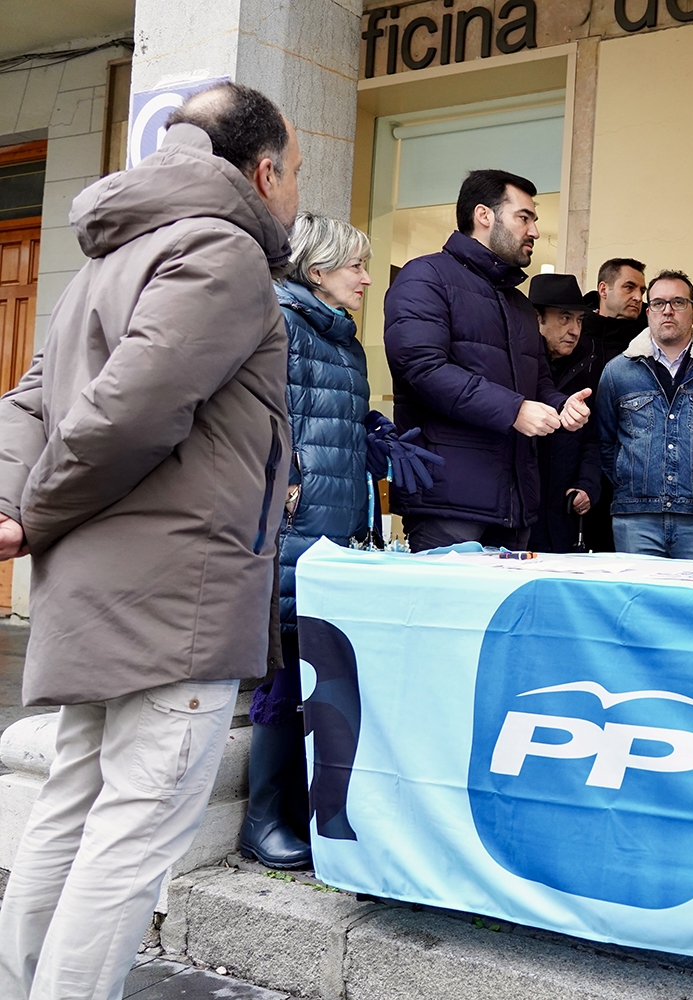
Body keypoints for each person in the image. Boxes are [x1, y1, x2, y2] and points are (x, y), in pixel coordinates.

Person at [0, 82, 300, 999]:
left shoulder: (104, 259)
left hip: (102, 587)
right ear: (261, 169)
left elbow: (32, 399)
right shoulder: (224, 250)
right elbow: (133, 410)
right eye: (293, 174)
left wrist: (15, 505)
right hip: (178, 596)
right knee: (131, 838)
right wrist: (32, 512)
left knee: (71, 811)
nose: (293, 196)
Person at [237, 214, 440, 869]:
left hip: (336, 526)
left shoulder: (344, 340)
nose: (365, 276)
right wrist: (285, 477)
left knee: (315, 669)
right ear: (317, 271)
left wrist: (369, 434)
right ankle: (262, 820)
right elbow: (259, 415)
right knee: (285, 670)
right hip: (290, 528)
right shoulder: (284, 324)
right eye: (354, 265)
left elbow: (325, 416)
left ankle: (299, 812)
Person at [384, 169, 591, 552]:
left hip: (515, 505)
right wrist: (514, 410)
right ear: (484, 216)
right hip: (448, 501)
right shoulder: (424, 277)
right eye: (523, 217)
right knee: (445, 612)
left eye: (534, 220)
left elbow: (539, 384)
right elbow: (421, 369)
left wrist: (562, 407)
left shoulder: (518, 303)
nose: (533, 231)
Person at [596, 270, 693, 560]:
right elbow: (604, 440)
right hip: (635, 517)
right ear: (647, 311)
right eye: (657, 303)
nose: (667, 310)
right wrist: (628, 482)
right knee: (638, 601)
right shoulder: (618, 372)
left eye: (678, 302)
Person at [529, 273, 603, 553]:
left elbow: (592, 439)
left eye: (579, 320)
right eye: (564, 318)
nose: (574, 330)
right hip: (520, 515)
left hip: (565, 516)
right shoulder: (515, 368)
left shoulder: (589, 367)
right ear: (538, 319)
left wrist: (586, 486)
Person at [579, 257, 648, 552]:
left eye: (642, 291)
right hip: (578, 464)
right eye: (629, 287)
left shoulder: (650, 342)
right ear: (603, 289)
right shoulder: (577, 333)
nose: (638, 298)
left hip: (632, 473)